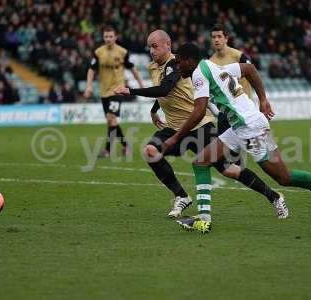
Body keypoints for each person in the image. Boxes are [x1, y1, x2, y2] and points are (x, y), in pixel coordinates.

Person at [162, 43, 311, 233]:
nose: (178, 66)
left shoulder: (198, 73)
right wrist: (262, 100)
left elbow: (199, 110)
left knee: (284, 177)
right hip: (242, 126)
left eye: (179, 62)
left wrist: (176, 137)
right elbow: (249, 69)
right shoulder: (214, 66)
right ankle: (203, 219)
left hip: (248, 128)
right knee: (201, 162)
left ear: (190, 60)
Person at [114, 30, 288, 219]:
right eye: (149, 48)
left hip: (199, 125)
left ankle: (274, 196)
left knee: (228, 169)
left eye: (155, 46)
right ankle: (181, 196)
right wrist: (154, 110)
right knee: (151, 152)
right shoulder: (153, 67)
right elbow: (167, 93)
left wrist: (130, 90)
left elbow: (165, 88)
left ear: (168, 45)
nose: (152, 51)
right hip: (174, 126)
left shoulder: (177, 63)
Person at [84, 26, 143, 157]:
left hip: (117, 90)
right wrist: (89, 86)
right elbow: (91, 69)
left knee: (111, 118)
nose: (108, 39)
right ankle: (126, 146)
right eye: (106, 36)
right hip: (104, 92)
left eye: (111, 36)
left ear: (115, 37)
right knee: (111, 121)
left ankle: (107, 151)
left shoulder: (122, 52)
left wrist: (140, 85)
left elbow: (133, 69)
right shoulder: (99, 52)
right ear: (103, 38)